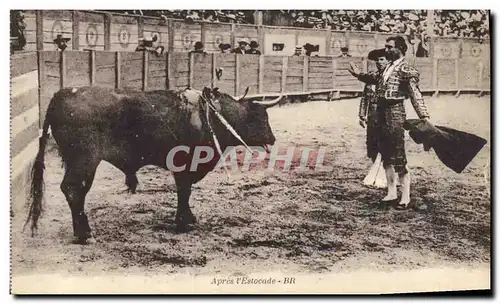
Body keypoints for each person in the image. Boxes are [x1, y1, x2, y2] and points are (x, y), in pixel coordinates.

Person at [348, 35, 430, 210]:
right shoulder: (387, 68)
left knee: (398, 155)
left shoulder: (405, 69)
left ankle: (405, 197)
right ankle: (392, 193)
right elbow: (372, 79)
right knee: (385, 154)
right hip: (381, 113)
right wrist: (358, 75)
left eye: (388, 47)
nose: (385, 50)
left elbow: (415, 94)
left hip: (395, 112)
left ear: (399, 49)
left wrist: (424, 116)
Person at [358, 48, 389, 162]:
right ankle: (375, 169)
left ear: (388, 62)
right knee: (372, 142)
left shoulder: (391, 78)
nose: (379, 62)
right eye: (377, 60)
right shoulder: (371, 77)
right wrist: (362, 115)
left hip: (386, 114)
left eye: (382, 59)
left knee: (385, 142)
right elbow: (365, 97)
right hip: (372, 115)